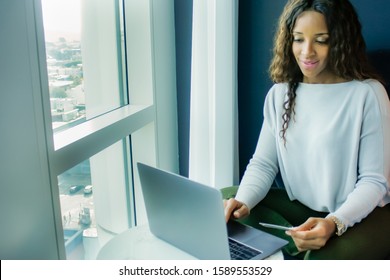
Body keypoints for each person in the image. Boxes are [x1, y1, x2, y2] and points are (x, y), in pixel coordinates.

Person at [224, 0, 390, 259]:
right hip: (302, 209)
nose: (307, 52)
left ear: (340, 41)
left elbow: (374, 182)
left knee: (318, 260)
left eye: (321, 40)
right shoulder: (280, 94)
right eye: (298, 39)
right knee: (227, 200)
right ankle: (300, 242)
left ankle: (298, 246)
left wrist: (334, 223)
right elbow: (264, 163)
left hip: (365, 215)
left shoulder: (367, 94)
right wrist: (244, 201)